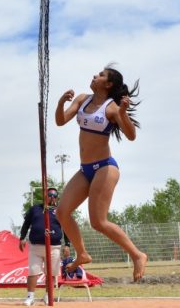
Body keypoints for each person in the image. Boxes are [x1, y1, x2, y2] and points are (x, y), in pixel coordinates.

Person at [55, 64, 148, 281]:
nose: (95, 75)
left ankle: (137, 255)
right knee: (62, 212)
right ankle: (82, 253)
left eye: (100, 75)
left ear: (108, 84)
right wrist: (61, 103)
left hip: (105, 167)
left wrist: (123, 112)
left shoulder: (112, 108)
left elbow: (131, 135)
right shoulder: (82, 99)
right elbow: (60, 121)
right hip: (85, 169)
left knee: (98, 221)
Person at [18, 187, 68, 306]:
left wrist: (67, 244)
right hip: (36, 247)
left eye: (54, 196)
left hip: (54, 247)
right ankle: (30, 297)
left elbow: (66, 227)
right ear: (45, 196)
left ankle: (47, 296)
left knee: (51, 273)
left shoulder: (60, 210)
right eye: (49, 195)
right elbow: (26, 224)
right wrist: (22, 238)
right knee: (33, 271)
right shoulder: (35, 209)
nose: (52, 197)